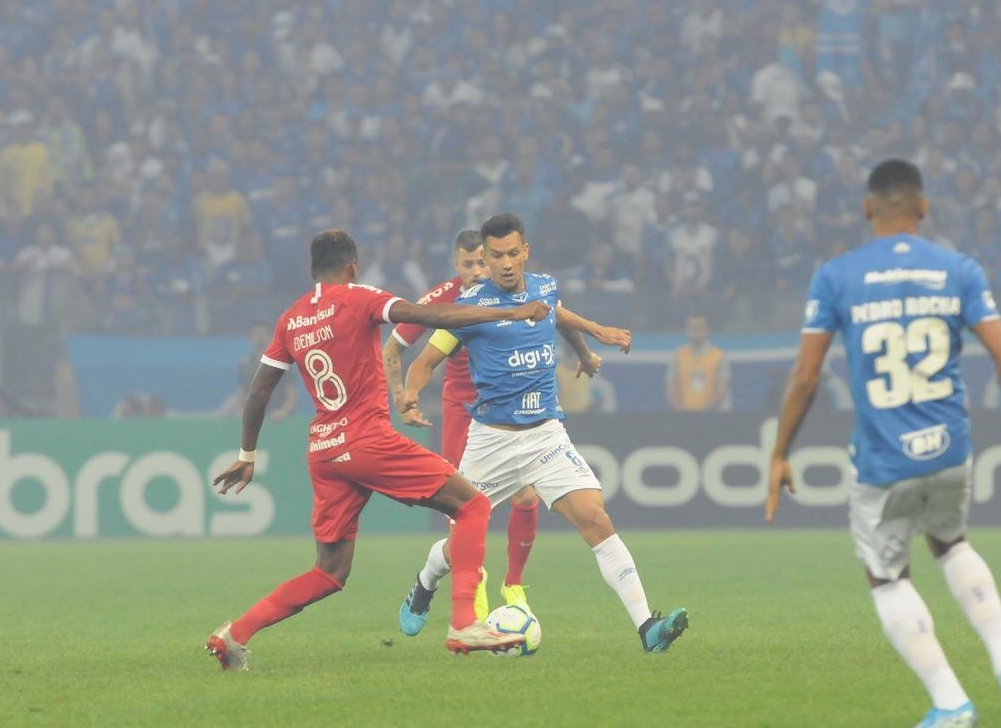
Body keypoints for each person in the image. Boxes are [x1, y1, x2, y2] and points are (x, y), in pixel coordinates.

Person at [765, 160, 1001, 728]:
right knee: (951, 542)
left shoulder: (837, 276)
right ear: (923, 209)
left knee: (888, 577)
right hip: (950, 449)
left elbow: (805, 377)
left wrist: (779, 453)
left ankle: (952, 704)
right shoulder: (958, 270)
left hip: (883, 462)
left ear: (867, 209)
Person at [206, 229, 551, 669]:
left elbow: (258, 392)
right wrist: (513, 311)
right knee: (473, 506)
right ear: (352, 265)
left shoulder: (290, 318)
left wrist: (247, 454)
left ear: (314, 270)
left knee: (328, 573)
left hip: (324, 451)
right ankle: (465, 621)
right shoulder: (359, 297)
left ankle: (233, 635)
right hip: (366, 440)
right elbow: (430, 316)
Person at [399, 213, 688, 652]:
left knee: (595, 516)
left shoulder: (545, 286)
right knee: (461, 548)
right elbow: (423, 363)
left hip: (545, 437)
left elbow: (556, 314)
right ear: (487, 258)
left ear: (525, 252)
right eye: (496, 256)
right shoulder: (471, 307)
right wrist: (411, 396)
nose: (506, 263)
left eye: (513, 253)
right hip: (492, 442)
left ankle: (648, 627)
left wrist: (593, 337)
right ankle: (425, 580)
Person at [381, 229, 543, 632]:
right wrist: (403, 398)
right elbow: (392, 349)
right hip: (463, 412)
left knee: (526, 496)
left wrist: (584, 350)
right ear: (456, 265)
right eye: (467, 264)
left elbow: (554, 320)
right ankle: (438, 585)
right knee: (469, 509)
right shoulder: (442, 299)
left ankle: (515, 585)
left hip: (508, 406)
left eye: (480, 262)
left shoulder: (517, 289)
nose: (476, 270)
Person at [667, 314, 731, 411]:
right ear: (686, 331)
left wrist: (704, 412)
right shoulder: (678, 356)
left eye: (700, 328)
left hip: (712, 416)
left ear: (707, 330)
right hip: (684, 416)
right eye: (692, 328)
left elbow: (723, 390)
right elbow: (671, 388)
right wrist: (681, 412)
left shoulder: (719, 356)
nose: (696, 332)